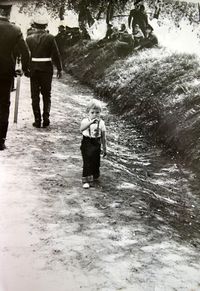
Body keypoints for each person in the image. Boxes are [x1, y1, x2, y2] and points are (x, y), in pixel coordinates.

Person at [0, 0, 30, 150]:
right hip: (5, 72)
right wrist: (24, 69)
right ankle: (0, 140)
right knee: (4, 105)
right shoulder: (15, 30)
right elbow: (25, 53)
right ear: (9, 12)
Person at [26, 14, 62, 128]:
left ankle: (37, 120)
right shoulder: (51, 37)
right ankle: (46, 118)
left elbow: (26, 56)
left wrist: (26, 68)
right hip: (46, 69)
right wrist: (60, 68)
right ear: (46, 25)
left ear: (34, 26)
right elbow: (56, 54)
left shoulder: (28, 38)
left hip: (34, 69)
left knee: (35, 95)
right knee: (47, 94)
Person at [80, 100, 107, 189]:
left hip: (96, 142)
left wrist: (104, 148)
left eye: (97, 112)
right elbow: (81, 129)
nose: (95, 114)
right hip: (87, 142)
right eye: (92, 112)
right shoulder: (85, 121)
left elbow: (103, 136)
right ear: (88, 112)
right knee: (87, 161)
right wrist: (90, 123)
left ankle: (94, 174)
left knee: (95, 160)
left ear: (100, 113)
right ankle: (86, 180)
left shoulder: (101, 123)